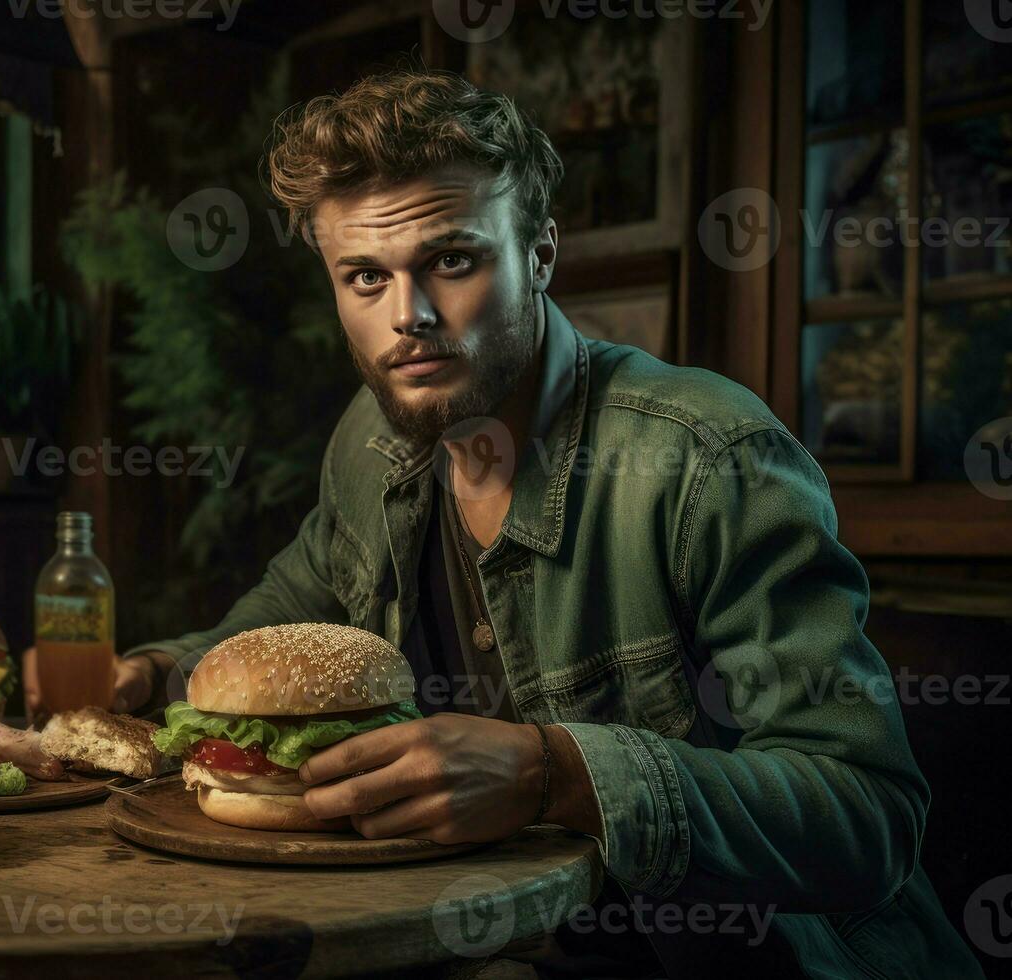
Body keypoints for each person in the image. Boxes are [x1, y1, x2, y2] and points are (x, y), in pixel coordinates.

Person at [106, 70, 978, 976]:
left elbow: (868, 817)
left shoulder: (706, 458)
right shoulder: (371, 441)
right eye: (365, 276)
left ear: (542, 253)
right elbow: (292, 605)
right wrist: (156, 672)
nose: (410, 318)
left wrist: (553, 773)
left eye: (452, 260)